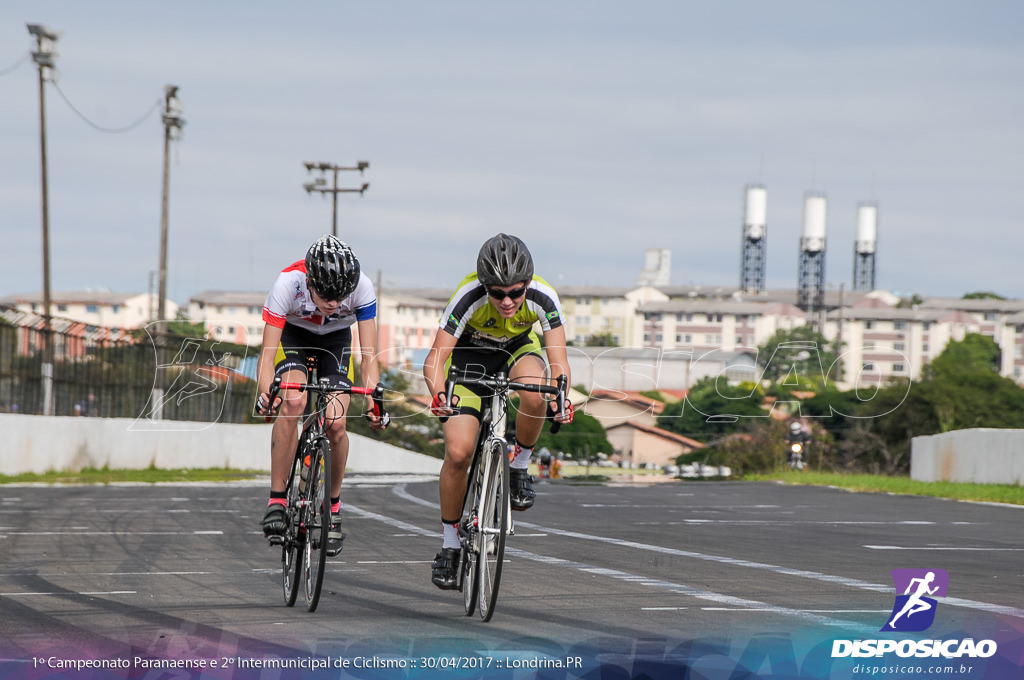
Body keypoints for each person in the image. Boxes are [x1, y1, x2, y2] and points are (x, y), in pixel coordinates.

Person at [423, 233, 573, 589]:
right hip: (469, 360)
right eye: (498, 293)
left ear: (528, 286)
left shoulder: (544, 296)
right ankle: (449, 545)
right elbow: (435, 360)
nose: (507, 301)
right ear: (484, 287)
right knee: (458, 453)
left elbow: (559, 362)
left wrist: (561, 398)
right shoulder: (468, 295)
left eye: (516, 293)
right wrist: (439, 393)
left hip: (518, 352)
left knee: (537, 393)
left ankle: (519, 466)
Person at [255, 235, 387, 557]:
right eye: (326, 294)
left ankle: (333, 507)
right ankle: (277, 499)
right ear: (310, 281)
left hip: (335, 342)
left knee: (336, 423)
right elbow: (266, 356)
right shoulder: (287, 284)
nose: (333, 302)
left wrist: (374, 399)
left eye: (340, 296)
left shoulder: (363, 287)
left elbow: (368, 357)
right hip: (294, 335)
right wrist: (265, 392)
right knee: (294, 400)